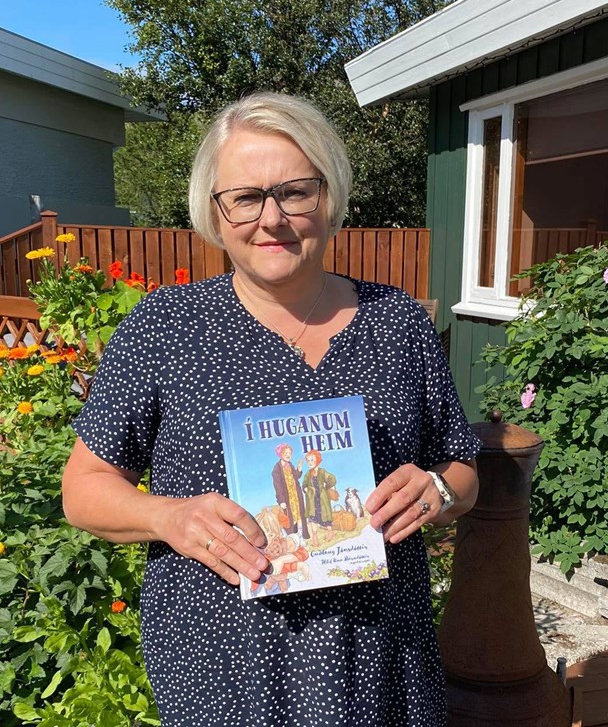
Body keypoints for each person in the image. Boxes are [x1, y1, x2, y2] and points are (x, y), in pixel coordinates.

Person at [61, 92, 481, 727]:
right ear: (216, 211)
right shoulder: (164, 327)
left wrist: (439, 492)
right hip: (224, 667)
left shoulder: (397, 323)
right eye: (247, 197)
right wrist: (169, 517)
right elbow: (83, 489)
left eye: (295, 192)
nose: (272, 218)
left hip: (381, 660)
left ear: (329, 197)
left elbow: (462, 468)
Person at [271, 442, 308, 539]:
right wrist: (281, 501)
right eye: (286, 453)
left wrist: (299, 469)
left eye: (290, 453)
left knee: (299, 515)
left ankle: (300, 537)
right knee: (290, 518)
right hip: (287, 497)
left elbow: (296, 477)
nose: (288, 455)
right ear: (280, 454)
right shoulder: (277, 468)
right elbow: (277, 486)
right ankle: (293, 538)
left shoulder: (290, 465)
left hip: (296, 495)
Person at [302, 448, 337, 546]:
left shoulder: (322, 471)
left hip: (322, 500)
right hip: (312, 501)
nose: (310, 462)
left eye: (312, 460)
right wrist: (305, 488)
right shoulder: (308, 474)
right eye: (308, 460)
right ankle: (314, 538)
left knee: (326, 519)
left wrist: (327, 485)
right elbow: (304, 483)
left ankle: (330, 532)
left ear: (317, 460)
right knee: (313, 519)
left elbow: (332, 478)